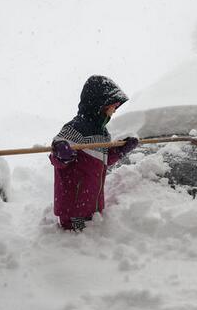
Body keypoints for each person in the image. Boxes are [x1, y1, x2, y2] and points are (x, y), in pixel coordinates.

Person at [49, 75, 139, 231]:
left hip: (92, 205)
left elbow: (102, 160)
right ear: (100, 104)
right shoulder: (76, 128)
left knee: (91, 244)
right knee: (73, 246)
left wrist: (120, 150)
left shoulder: (102, 133)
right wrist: (61, 154)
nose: (114, 110)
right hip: (73, 207)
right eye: (113, 105)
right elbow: (56, 156)